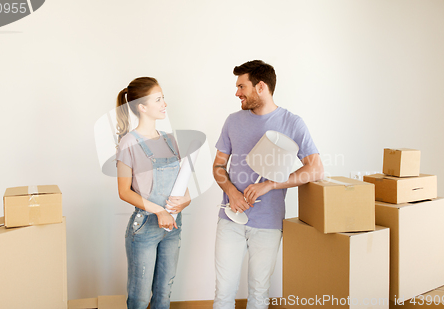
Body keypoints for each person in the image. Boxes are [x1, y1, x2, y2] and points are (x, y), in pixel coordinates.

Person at [212, 60, 324, 309]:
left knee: (259, 293)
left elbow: (315, 169)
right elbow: (218, 167)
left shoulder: (292, 123)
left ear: (261, 86)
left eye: (242, 86)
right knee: (223, 293)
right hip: (230, 220)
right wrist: (231, 191)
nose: (237, 93)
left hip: (268, 223)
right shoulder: (232, 121)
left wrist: (271, 184)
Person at [115, 77, 190, 309]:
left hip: (172, 226)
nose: (164, 103)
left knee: (164, 294)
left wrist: (185, 200)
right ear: (142, 107)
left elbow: (181, 181)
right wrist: (159, 211)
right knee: (139, 298)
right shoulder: (128, 143)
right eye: (158, 99)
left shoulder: (170, 140)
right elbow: (123, 192)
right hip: (145, 227)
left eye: (163, 98)